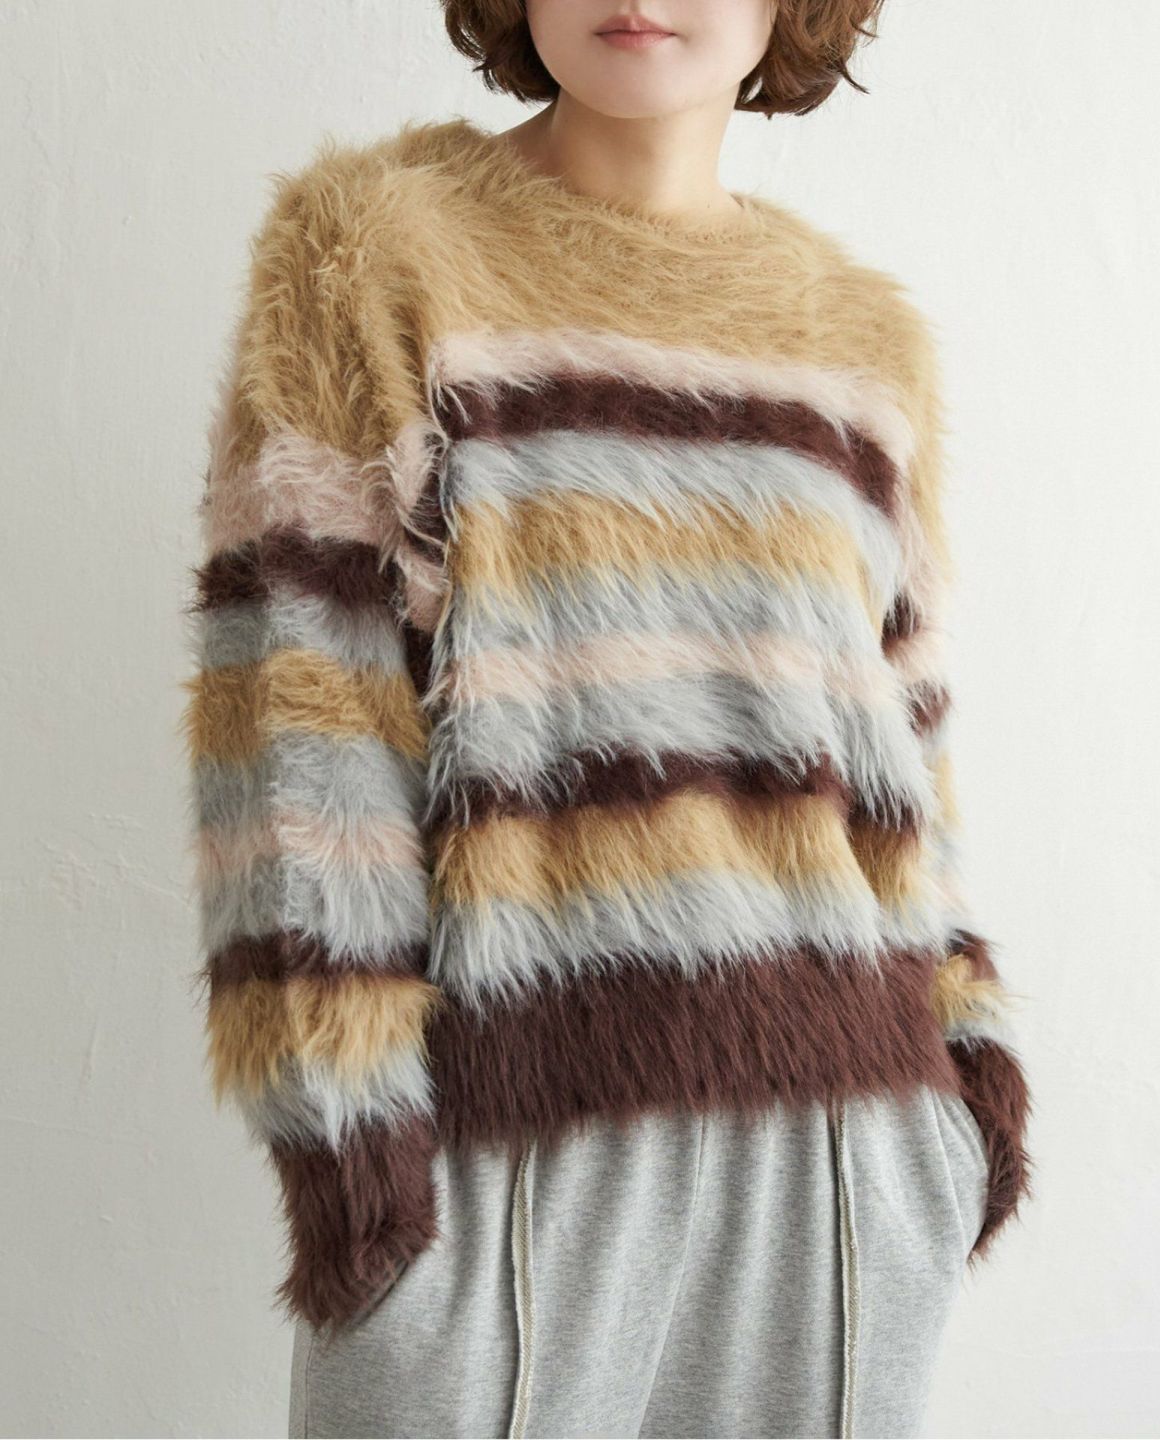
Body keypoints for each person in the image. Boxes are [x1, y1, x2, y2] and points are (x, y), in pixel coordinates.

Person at [181, 2, 1034, 1435]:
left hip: (843, 1154)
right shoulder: (377, 255)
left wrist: (970, 1103)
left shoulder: (864, 343)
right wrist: (357, 1170)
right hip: (502, 1155)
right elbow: (295, 719)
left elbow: (904, 756)